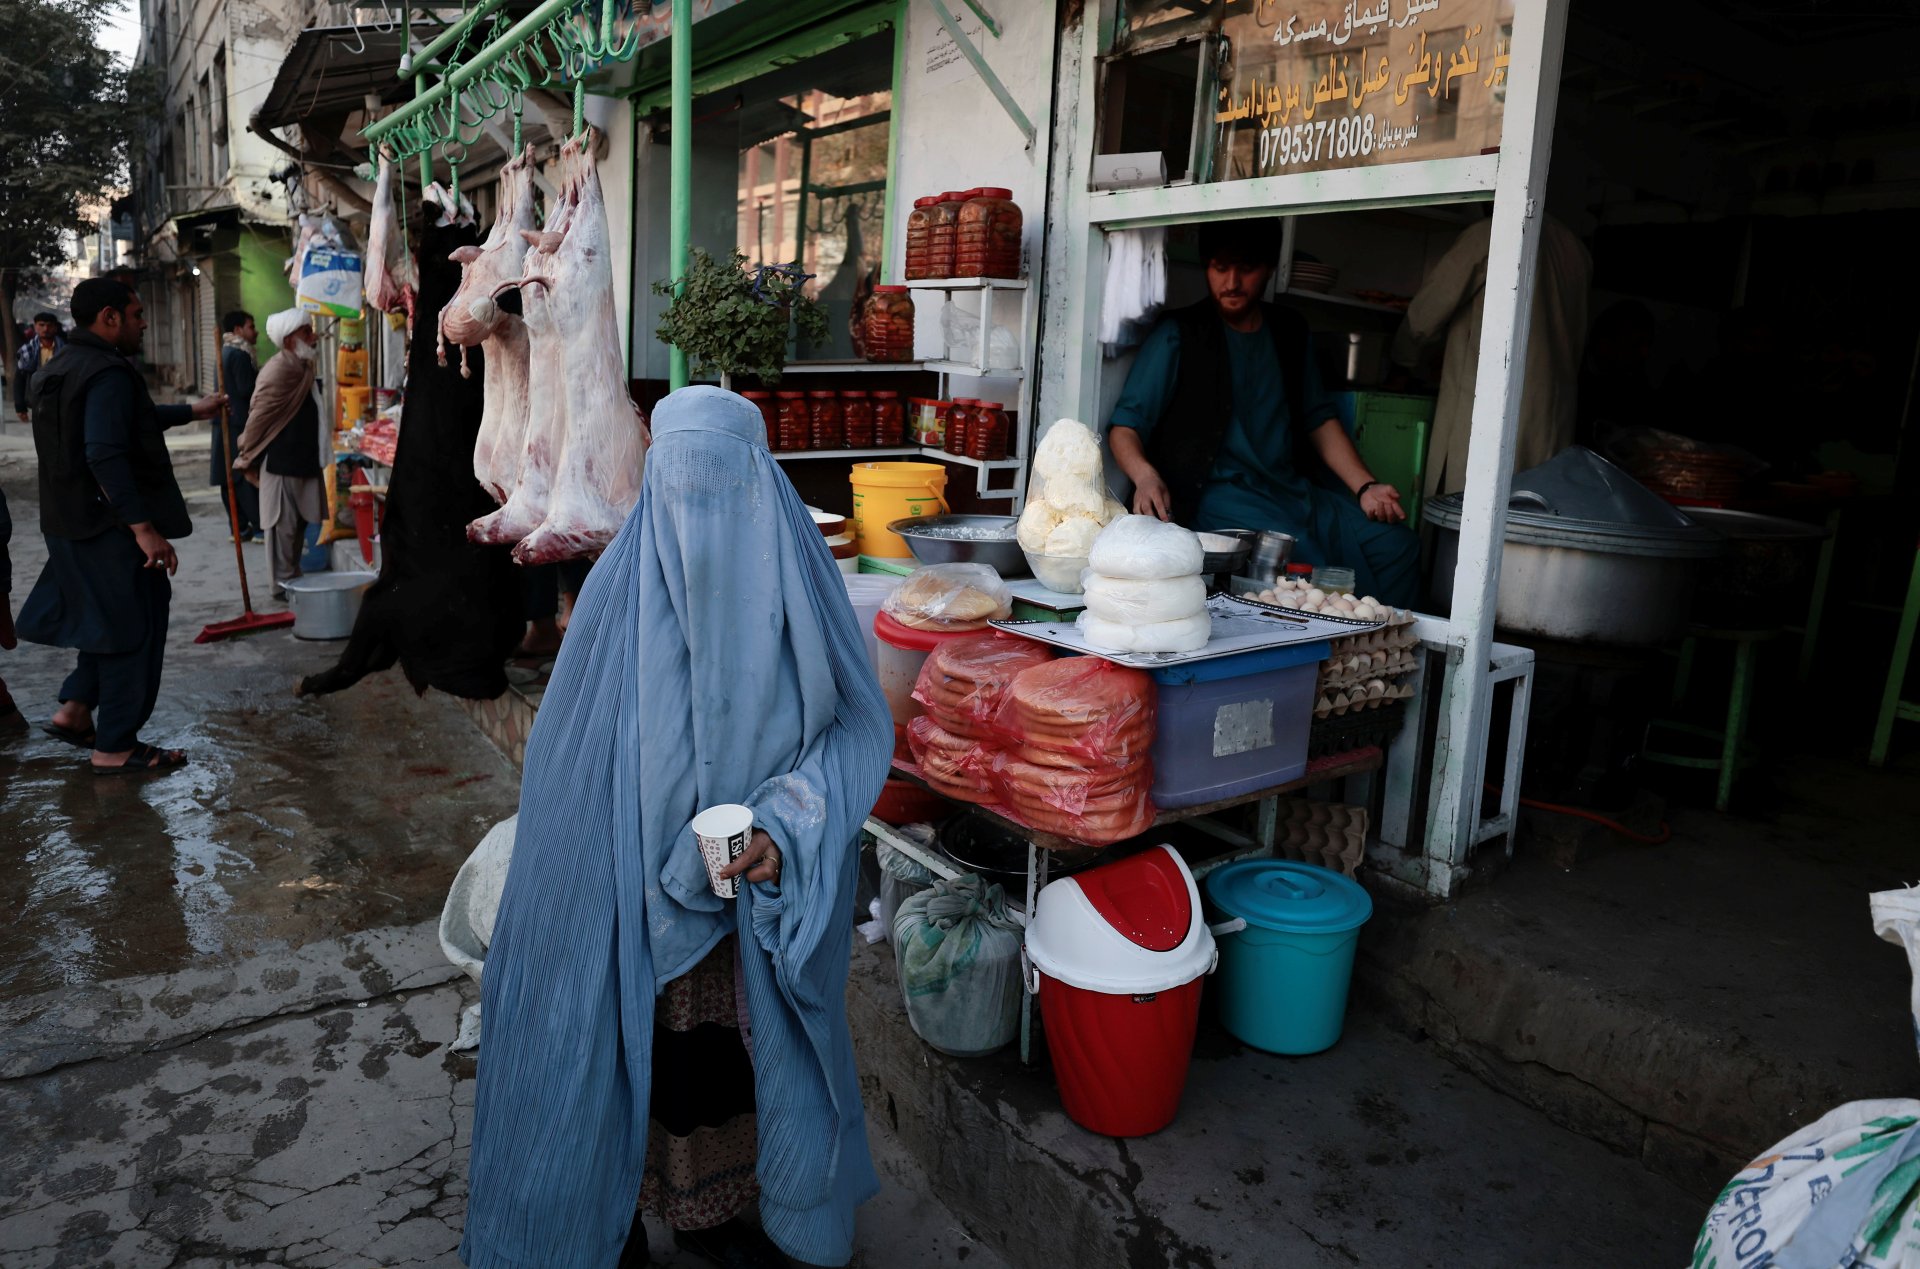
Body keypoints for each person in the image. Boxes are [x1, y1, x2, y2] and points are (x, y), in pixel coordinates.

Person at [460, 387, 892, 1269]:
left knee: (718, 1068)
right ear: (655, 486)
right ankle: (605, 1215)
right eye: (680, 488)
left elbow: (857, 727)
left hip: (747, 896)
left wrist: (785, 818)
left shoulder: (802, 583)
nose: (701, 523)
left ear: (761, 483)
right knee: (614, 1053)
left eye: (720, 488)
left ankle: (709, 1211)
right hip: (627, 894)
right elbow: (568, 776)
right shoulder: (616, 603)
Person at [1107, 218, 1421, 607]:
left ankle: (1384, 648)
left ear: (1270, 268)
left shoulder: (1289, 330)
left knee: (1397, 545)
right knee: (1309, 568)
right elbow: (1125, 426)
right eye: (1220, 268)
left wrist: (1366, 487)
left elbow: (1318, 419)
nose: (1232, 282)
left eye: (1246, 268)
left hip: (1294, 491)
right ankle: (1337, 657)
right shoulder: (1180, 333)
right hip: (1221, 499)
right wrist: (1145, 476)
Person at [15, 277, 224, 774]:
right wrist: (143, 529)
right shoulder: (107, 372)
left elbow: (129, 419)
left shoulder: (63, 366)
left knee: (102, 623)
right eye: (135, 314)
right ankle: (115, 747)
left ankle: (74, 710)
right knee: (134, 630)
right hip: (108, 530)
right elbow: (105, 451)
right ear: (109, 317)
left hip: (68, 524)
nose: (143, 322)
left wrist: (192, 411)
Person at [1391, 211, 1591, 498]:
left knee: (1467, 514)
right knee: (1526, 519)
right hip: (1552, 424)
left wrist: (1402, 358)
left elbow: (1427, 312)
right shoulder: (1576, 250)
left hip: (1488, 413)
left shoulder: (1490, 232)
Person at [233, 309, 324, 601]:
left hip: (304, 457)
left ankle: (292, 578)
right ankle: (281, 585)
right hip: (282, 461)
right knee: (281, 527)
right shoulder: (279, 368)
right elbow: (259, 415)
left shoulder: (302, 363)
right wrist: (245, 451)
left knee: (299, 525)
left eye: (311, 331)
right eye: (306, 332)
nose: (312, 337)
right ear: (288, 340)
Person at [216, 310, 262, 542]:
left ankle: (240, 527)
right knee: (243, 474)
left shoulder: (225, 351)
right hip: (238, 423)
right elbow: (247, 390)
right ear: (237, 330)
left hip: (227, 421)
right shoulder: (240, 354)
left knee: (230, 476)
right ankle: (257, 526)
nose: (256, 332)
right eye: (251, 326)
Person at [14, 311, 66, 421]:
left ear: (55, 328)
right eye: (41, 325)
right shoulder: (27, 351)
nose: (45, 329)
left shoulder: (65, 351)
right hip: (36, 402)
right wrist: (20, 407)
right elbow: (19, 379)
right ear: (35, 326)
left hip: (61, 402)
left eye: (49, 325)